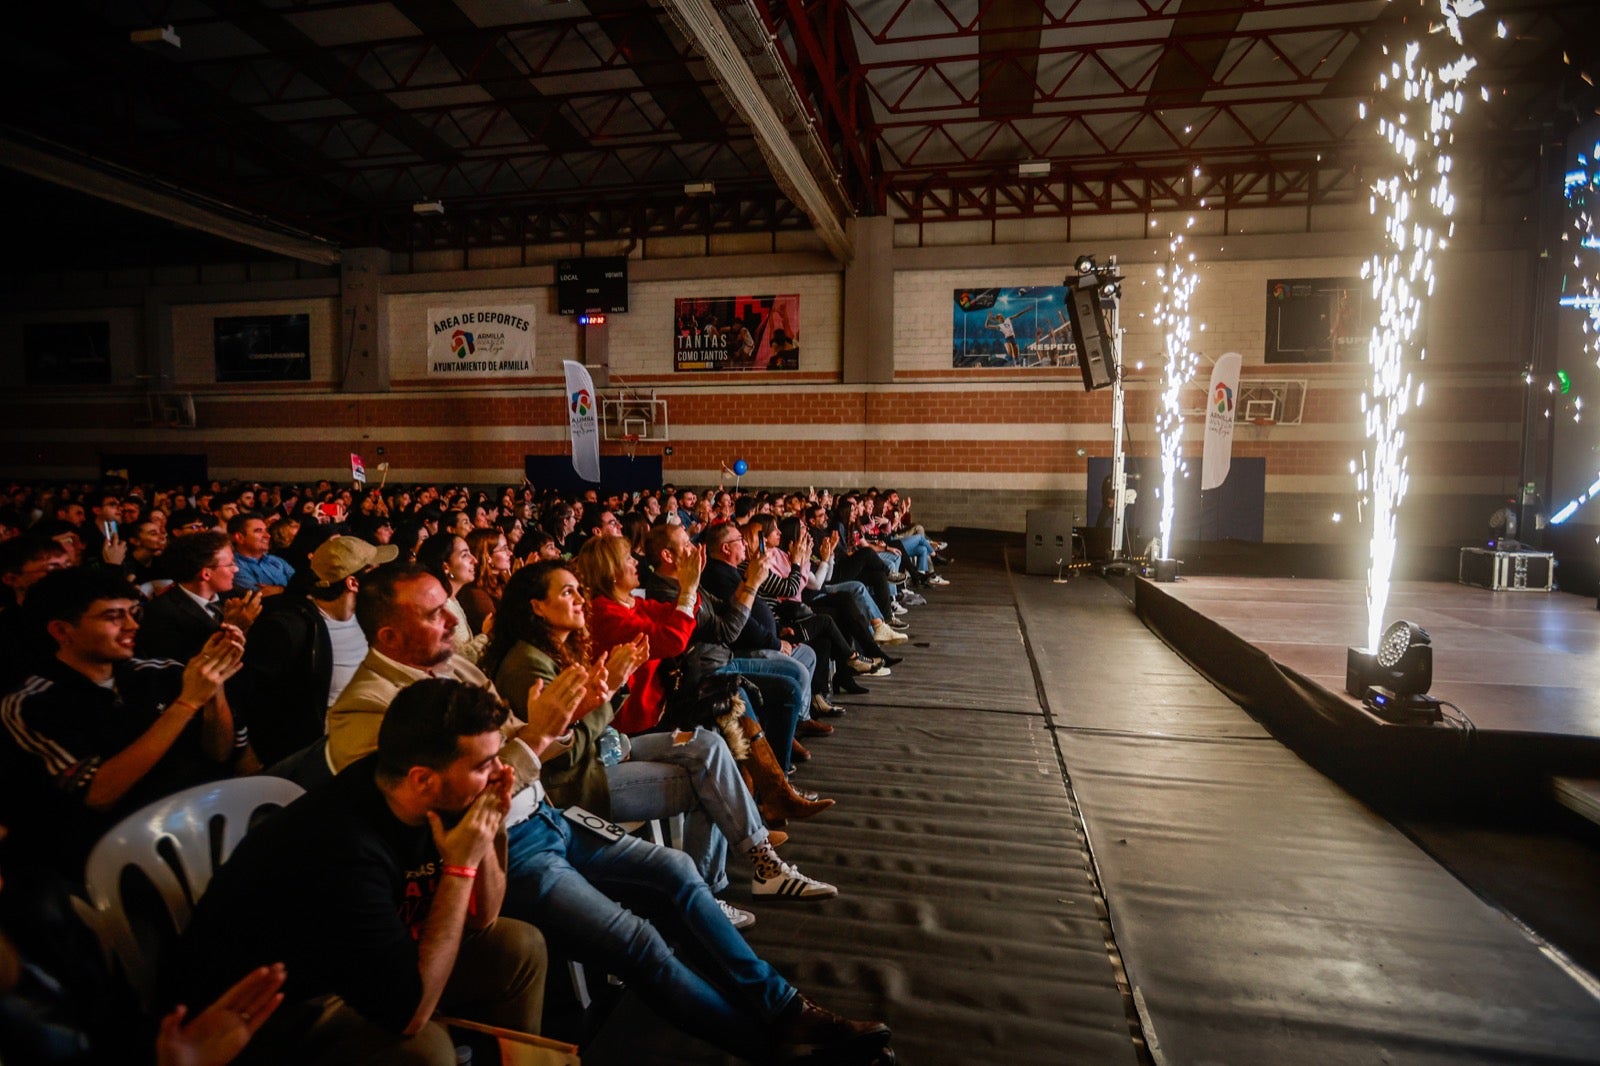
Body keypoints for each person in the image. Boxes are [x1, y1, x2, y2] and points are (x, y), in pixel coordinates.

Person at [325, 573, 889, 1063]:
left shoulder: (453, 669)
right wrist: (549, 729)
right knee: (640, 943)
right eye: (434, 613)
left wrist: (570, 713)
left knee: (676, 872)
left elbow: (521, 743)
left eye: (449, 605)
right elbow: (454, 801)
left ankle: (785, 1009)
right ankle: (770, 1049)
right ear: (388, 637)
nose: (454, 621)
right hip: (503, 851)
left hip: (547, 815)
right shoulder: (365, 710)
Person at [172, 680, 548, 1065]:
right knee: (425, 1049)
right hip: (272, 1009)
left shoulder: (425, 791)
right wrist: (459, 868)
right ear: (422, 779)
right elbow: (410, 1017)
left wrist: (489, 823)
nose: (500, 772)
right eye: (484, 765)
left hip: (364, 959)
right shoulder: (343, 850)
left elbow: (484, 917)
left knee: (520, 947)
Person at [490, 556, 838, 919]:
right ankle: (714, 894)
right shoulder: (530, 665)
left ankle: (762, 863)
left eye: (579, 589)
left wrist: (610, 691)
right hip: (578, 783)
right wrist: (612, 690)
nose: (581, 599)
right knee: (710, 783)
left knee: (709, 743)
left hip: (608, 750)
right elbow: (562, 753)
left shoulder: (561, 646)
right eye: (567, 593)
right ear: (537, 607)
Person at [0, 568, 247, 877]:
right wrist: (187, 703)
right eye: (113, 617)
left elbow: (221, 753)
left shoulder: (159, 673)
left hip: (204, 824)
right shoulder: (33, 703)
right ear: (63, 632)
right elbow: (97, 795)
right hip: (119, 857)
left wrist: (214, 683)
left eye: (133, 613)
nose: (132, 626)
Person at [232, 537, 395, 769]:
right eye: (374, 570)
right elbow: (254, 700)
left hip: (371, 733)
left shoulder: (367, 616)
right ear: (353, 583)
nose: (383, 577)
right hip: (325, 754)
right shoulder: (290, 628)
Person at [137, 532, 262, 662]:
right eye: (230, 564)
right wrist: (231, 627)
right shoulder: (161, 613)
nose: (236, 569)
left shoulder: (237, 595)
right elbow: (188, 668)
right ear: (206, 574)